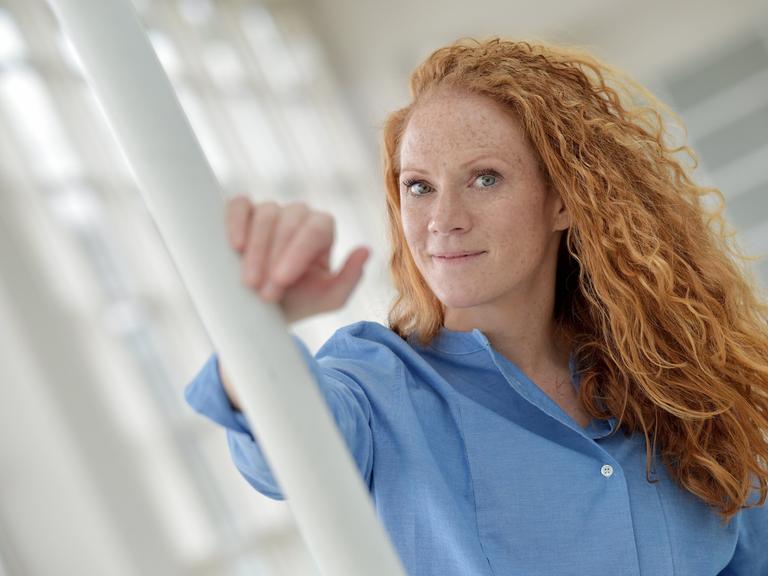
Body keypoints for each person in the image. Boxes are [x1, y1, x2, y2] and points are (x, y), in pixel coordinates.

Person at [185, 37, 768, 575]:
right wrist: (256, 317)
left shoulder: (682, 387)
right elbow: (283, 442)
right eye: (419, 186)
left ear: (564, 202)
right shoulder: (377, 388)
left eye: (485, 179)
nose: (444, 220)